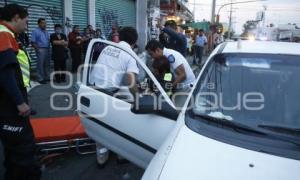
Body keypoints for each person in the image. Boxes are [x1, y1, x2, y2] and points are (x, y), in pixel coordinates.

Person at [0, 4, 41, 180]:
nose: (27, 25)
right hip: (9, 104)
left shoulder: (7, 34)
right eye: (25, 21)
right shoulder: (3, 35)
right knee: (23, 147)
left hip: (8, 100)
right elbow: (5, 73)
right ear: (15, 17)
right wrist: (20, 102)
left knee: (12, 147)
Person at [90, 27, 139, 166]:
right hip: (109, 92)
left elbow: (112, 69)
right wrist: (138, 99)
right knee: (120, 123)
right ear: (134, 42)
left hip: (93, 88)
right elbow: (131, 81)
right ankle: (121, 154)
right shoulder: (129, 53)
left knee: (99, 124)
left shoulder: (107, 47)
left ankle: (102, 157)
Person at [145, 40, 195, 107]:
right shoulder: (164, 57)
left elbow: (183, 75)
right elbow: (167, 76)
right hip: (179, 85)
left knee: (177, 110)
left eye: (151, 54)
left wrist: (167, 89)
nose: (152, 57)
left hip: (186, 86)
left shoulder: (170, 56)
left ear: (157, 50)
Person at [31, 18, 50, 84]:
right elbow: (33, 42)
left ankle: (47, 77)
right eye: (42, 23)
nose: (44, 24)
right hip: (40, 49)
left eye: (45, 23)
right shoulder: (35, 31)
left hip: (47, 49)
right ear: (38, 24)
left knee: (47, 64)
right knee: (40, 65)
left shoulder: (46, 31)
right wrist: (38, 50)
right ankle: (40, 78)